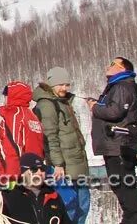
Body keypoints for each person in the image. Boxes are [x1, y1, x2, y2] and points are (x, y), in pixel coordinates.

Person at [88, 56, 137, 224]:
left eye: (113, 64)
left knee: (125, 191)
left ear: (122, 69)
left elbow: (115, 112)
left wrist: (94, 107)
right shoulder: (116, 86)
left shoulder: (122, 85)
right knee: (120, 189)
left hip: (119, 146)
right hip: (114, 146)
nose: (108, 66)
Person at [33, 67, 90, 224]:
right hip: (63, 165)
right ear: (51, 84)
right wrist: (57, 164)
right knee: (70, 206)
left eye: (67, 84)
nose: (64, 88)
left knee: (82, 204)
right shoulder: (47, 105)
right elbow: (49, 136)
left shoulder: (62, 102)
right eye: (61, 85)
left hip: (75, 161)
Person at [0, 152, 74, 224]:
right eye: (34, 169)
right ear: (23, 172)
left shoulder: (53, 197)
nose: (39, 173)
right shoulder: (8, 198)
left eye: (42, 169)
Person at [0, 81, 45, 183]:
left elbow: (12, 149)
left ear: (12, 96)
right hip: (35, 171)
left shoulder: (14, 116)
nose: (4, 99)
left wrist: (10, 180)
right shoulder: (32, 116)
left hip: (18, 176)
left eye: (6, 95)